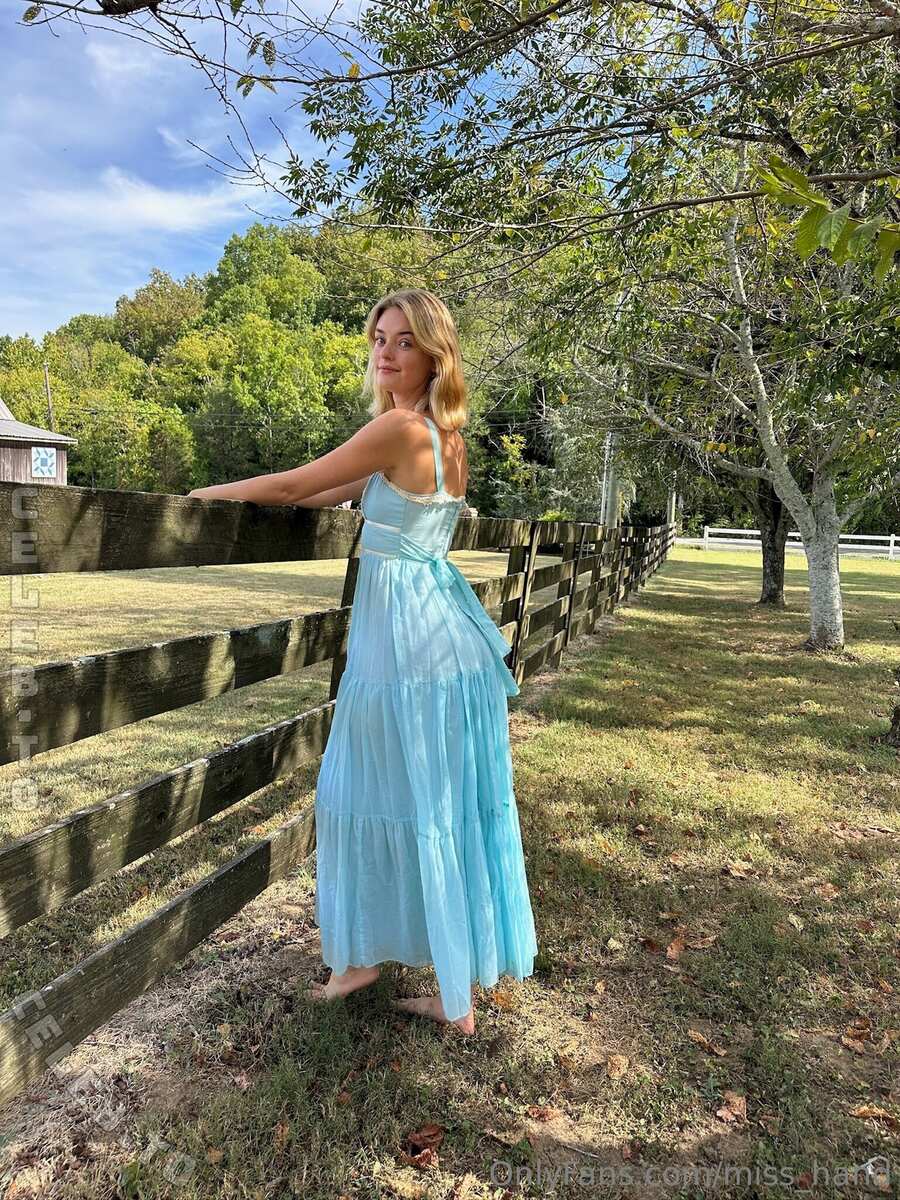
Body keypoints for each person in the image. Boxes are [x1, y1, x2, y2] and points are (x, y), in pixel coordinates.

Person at [188, 288, 538, 1035]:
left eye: (405, 341)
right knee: (435, 802)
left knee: (363, 788)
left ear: (434, 355)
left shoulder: (400, 429)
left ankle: (371, 964)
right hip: (441, 642)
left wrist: (203, 495)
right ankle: (439, 990)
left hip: (407, 647)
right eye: (380, 338)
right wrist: (293, 494)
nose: (387, 352)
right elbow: (328, 492)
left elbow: (295, 484)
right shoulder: (442, 436)